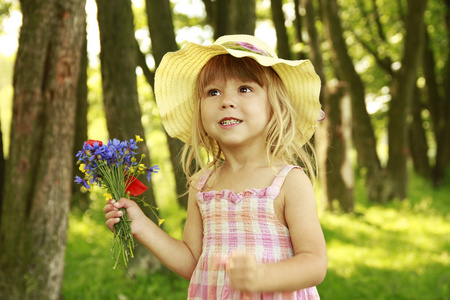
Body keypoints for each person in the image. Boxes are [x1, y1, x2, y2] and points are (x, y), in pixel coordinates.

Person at [104, 34, 327, 299]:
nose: (226, 101)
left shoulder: (286, 181)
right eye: (213, 92)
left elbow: (314, 263)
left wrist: (261, 277)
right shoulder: (203, 184)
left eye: (245, 89)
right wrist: (141, 225)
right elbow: (193, 262)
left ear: (273, 107)